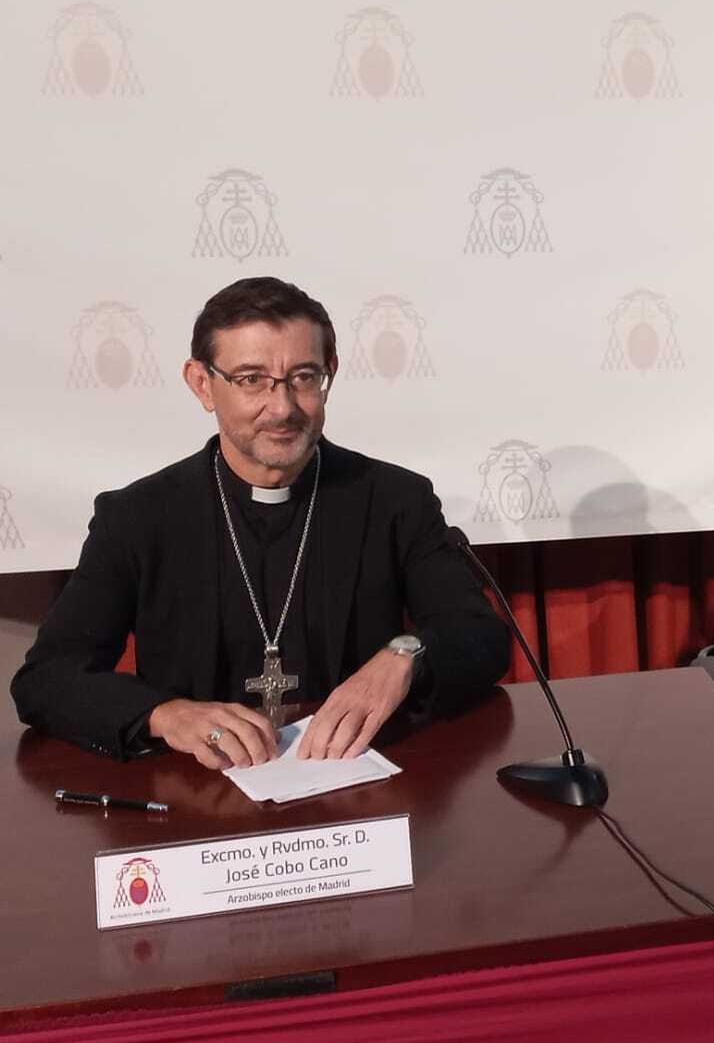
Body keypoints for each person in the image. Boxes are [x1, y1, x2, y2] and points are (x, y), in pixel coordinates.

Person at [12, 277, 508, 766]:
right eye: (251, 380)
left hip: (352, 786)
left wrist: (406, 655)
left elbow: (481, 636)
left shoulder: (395, 500)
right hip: (197, 801)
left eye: (304, 377)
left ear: (329, 374)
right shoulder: (139, 517)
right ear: (203, 384)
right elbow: (46, 679)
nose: (283, 407)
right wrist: (165, 715)